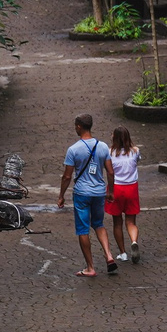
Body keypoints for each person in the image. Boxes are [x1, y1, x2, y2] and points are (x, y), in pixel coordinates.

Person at [57, 114, 115, 278]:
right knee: (99, 224)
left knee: (83, 229)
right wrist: (110, 191)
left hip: (82, 193)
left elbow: (67, 176)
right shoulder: (103, 146)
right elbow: (110, 171)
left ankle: (90, 267)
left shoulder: (73, 149)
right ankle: (109, 255)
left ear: (79, 127)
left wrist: (61, 195)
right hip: (99, 192)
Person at [106, 126, 144, 265]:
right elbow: (137, 161)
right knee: (131, 221)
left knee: (117, 222)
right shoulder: (135, 151)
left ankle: (123, 253)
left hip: (116, 188)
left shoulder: (109, 153)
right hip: (131, 188)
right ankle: (133, 241)